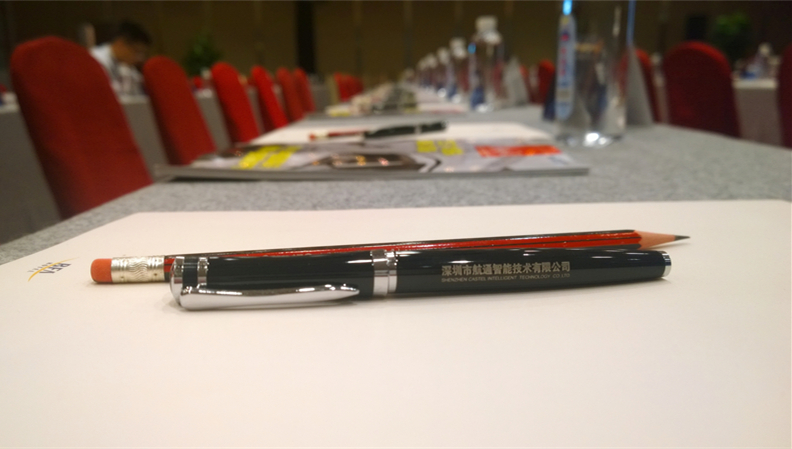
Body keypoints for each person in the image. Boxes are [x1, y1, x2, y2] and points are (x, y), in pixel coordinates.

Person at [90, 21, 151, 96]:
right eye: (137, 51)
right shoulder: (95, 60)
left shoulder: (125, 66)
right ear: (121, 43)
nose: (140, 58)